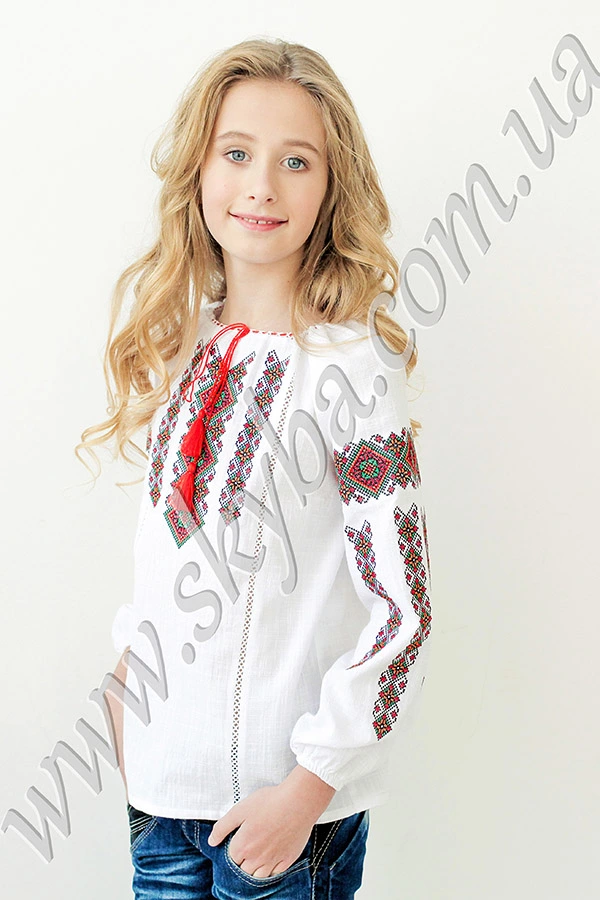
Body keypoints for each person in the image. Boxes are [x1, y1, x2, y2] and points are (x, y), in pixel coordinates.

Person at [76, 36, 433, 900]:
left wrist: (308, 789)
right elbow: (166, 566)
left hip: (280, 825)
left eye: (295, 161)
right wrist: (124, 692)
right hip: (160, 807)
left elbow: (404, 611)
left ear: (332, 187)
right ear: (199, 171)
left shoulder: (352, 370)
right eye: (236, 153)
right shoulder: (183, 348)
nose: (262, 185)